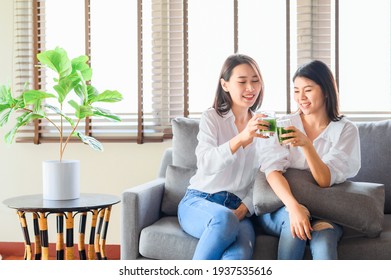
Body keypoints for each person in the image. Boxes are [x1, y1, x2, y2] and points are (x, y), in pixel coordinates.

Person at [257, 60, 361, 260]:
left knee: (324, 242)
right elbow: (272, 172)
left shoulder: (346, 130)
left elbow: (324, 180)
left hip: (325, 209)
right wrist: (295, 208)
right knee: (294, 230)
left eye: (308, 90)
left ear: (326, 90)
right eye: (296, 91)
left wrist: (307, 145)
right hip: (283, 206)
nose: (301, 98)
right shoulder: (284, 125)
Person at [177, 54, 273, 260]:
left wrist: (244, 208)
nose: (251, 88)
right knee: (224, 219)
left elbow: (263, 178)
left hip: (238, 209)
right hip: (200, 201)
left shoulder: (264, 126)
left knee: (238, 256)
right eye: (242, 81)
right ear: (225, 85)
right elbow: (205, 163)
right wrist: (241, 138)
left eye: (255, 81)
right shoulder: (212, 117)